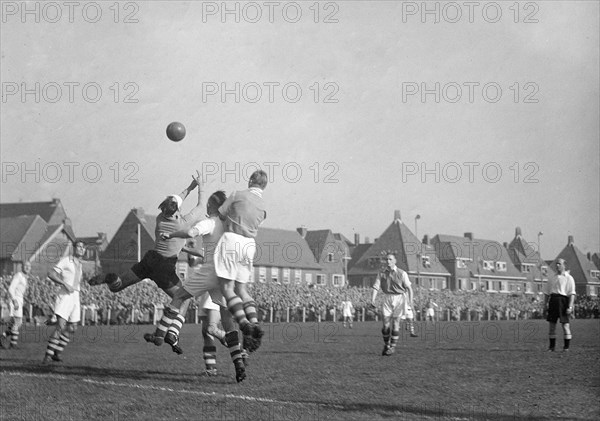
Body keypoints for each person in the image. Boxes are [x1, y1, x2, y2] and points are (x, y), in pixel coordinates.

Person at [90, 173, 203, 350]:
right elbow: (200, 206)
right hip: (164, 267)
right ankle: (169, 334)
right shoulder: (183, 224)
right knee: (184, 298)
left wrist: (189, 187)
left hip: (150, 259)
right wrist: (200, 188)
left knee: (117, 286)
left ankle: (111, 279)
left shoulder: (159, 219)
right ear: (178, 210)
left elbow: (177, 200)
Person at [154, 190, 248, 382]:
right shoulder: (229, 225)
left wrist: (170, 234)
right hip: (225, 274)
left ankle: (162, 333)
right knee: (227, 321)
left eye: (208, 205)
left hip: (210, 271)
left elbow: (190, 232)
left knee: (179, 296)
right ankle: (238, 362)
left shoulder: (211, 222)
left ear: (211, 207)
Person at [215, 170, 267, 349]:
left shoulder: (237, 194)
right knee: (242, 289)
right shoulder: (263, 207)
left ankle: (244, 323)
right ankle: (255, 323)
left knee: (227, 288)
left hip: (232, 240)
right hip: (249, 245)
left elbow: (221, 214)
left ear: (251, 180)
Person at [42, 240, 86, 364]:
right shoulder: (67, 260)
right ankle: (48, 355)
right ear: (74, 248)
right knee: (60, 326)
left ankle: (57, 351)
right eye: (79, 247)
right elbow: (51, 273)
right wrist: (64, 283)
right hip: (65, 296)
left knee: (73, 327)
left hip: (75, 297)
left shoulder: (80, 264)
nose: (81, 249)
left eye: (83, 247)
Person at [371, 252, 417, 356]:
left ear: (395, 261)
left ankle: (392, 347)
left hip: (400, 298)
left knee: (396, 323)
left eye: (390, 259)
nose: (388, 261)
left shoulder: (402, 273)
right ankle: (387, 345)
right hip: (387, 298)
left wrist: (410, 301)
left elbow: (409, 288)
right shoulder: (381, 273)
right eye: (387, 259)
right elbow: (376, 287)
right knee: (385, 325)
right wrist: (372, 300)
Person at [543, 258, 576, 352]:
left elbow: (572, 294)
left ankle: (566, 347)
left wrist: (570, 307)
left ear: (564, 265)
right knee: (552, 325)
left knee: (565, 326)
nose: (557, 265)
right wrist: (545, 305)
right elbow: (546, 293)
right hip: (553, 301)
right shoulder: (552, 277)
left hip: (563, 301)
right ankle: (551, 347)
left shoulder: (569, 278)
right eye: (556, 264)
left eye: (559, 264)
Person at [1, 261, 31, 349]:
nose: (27, 267)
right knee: (18, 322)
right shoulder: (19, 275)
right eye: (25, 265)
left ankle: (12, 343)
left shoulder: (25, 277)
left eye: (29, 266)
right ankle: (5, 338)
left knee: (15, 323)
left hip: (19, 299)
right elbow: (11, 288)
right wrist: (14, 300)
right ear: (22, 267)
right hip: (15, 300)